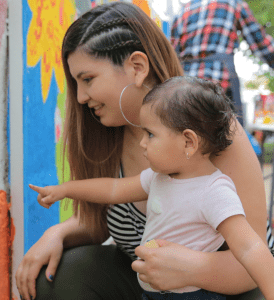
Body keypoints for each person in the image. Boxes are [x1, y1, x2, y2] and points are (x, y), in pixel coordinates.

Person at [15, 2, 273, 300]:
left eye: (88, 79)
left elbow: (253, 254)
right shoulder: (106, 136)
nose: (81, 97)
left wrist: (194, 268)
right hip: (150, 286)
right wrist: (58, 233)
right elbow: (106, 209)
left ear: (137, 68)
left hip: (227, 288)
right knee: (63, 275)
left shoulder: (211, 132)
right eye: (76, 83)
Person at [170, 0, 274, 127]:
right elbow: (262, 45)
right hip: (218, 84)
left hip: (184, 86)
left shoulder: (183, 10)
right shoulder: (234, 4)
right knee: (229, 136)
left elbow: (171, 54)